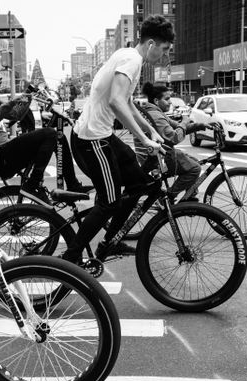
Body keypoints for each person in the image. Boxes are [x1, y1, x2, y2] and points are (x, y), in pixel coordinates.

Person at [61, 15, 173, 264]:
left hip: (103, 136)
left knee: (140, 184)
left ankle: (109, 242)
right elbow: (115, 101)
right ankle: (71, 258)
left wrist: (151, 130)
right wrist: (144, 139)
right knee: (110, 202)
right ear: (152, 43)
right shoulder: (131, 60)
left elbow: (128, 103)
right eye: (165, 49)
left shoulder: (129, 56)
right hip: (91, 140)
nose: (165, 56)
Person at [0, 56, 92, 208]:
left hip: (5, 152)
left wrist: (27, 98)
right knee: (49, 133)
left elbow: (15, 115)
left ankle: (73, 184)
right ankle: (33, 183)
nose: (1, 77)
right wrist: (10, 103)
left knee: (59, 137)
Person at [137, 82, 208, 202]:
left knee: (194, 161)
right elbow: (174, 138)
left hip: (157, 156)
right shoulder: (156, 115)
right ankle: (168, 197)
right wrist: (184, 122)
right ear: (156, 100)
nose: (170, 102)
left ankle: (189, 197)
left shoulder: (153, 112)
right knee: (195, 169)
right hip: (157, 160)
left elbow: (177, 127)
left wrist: (201, 125)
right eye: (167, 99)